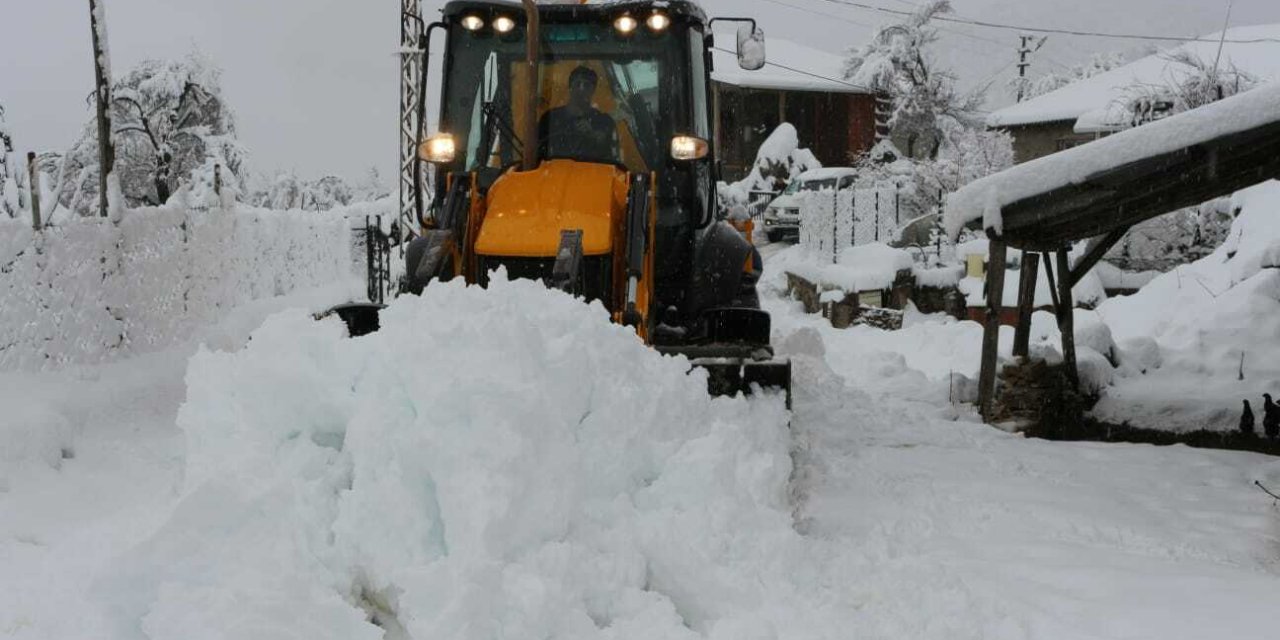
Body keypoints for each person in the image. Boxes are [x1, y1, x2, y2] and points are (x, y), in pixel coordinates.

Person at [537, 66, 616, 163]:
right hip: (553, 175)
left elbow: (608, 147)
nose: (581, 89)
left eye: (586, 85)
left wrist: (592, 134)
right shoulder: (549, 119)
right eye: (578, 84)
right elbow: (537, 153)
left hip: (593, 174)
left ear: (593, 90)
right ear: (570, 87)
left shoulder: (603, 121)